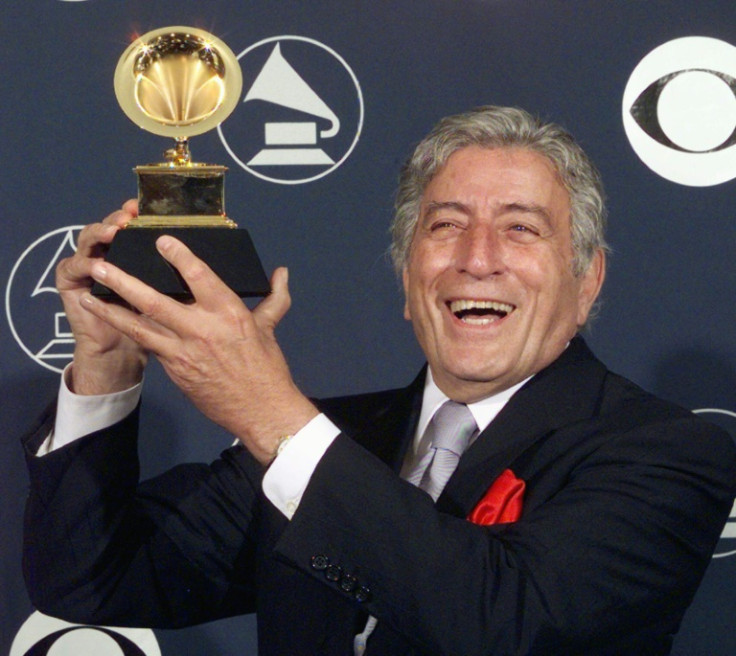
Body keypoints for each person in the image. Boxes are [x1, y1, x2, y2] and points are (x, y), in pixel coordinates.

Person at [23, 106, 736, 655]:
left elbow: (506, 622)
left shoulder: (667, 452)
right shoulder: (322, 441)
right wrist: (108, 361)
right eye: (445, 225)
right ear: (406, 279)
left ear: (587, 283)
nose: (477, 259)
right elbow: (94, 577)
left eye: (521, 229)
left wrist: (274, 416)